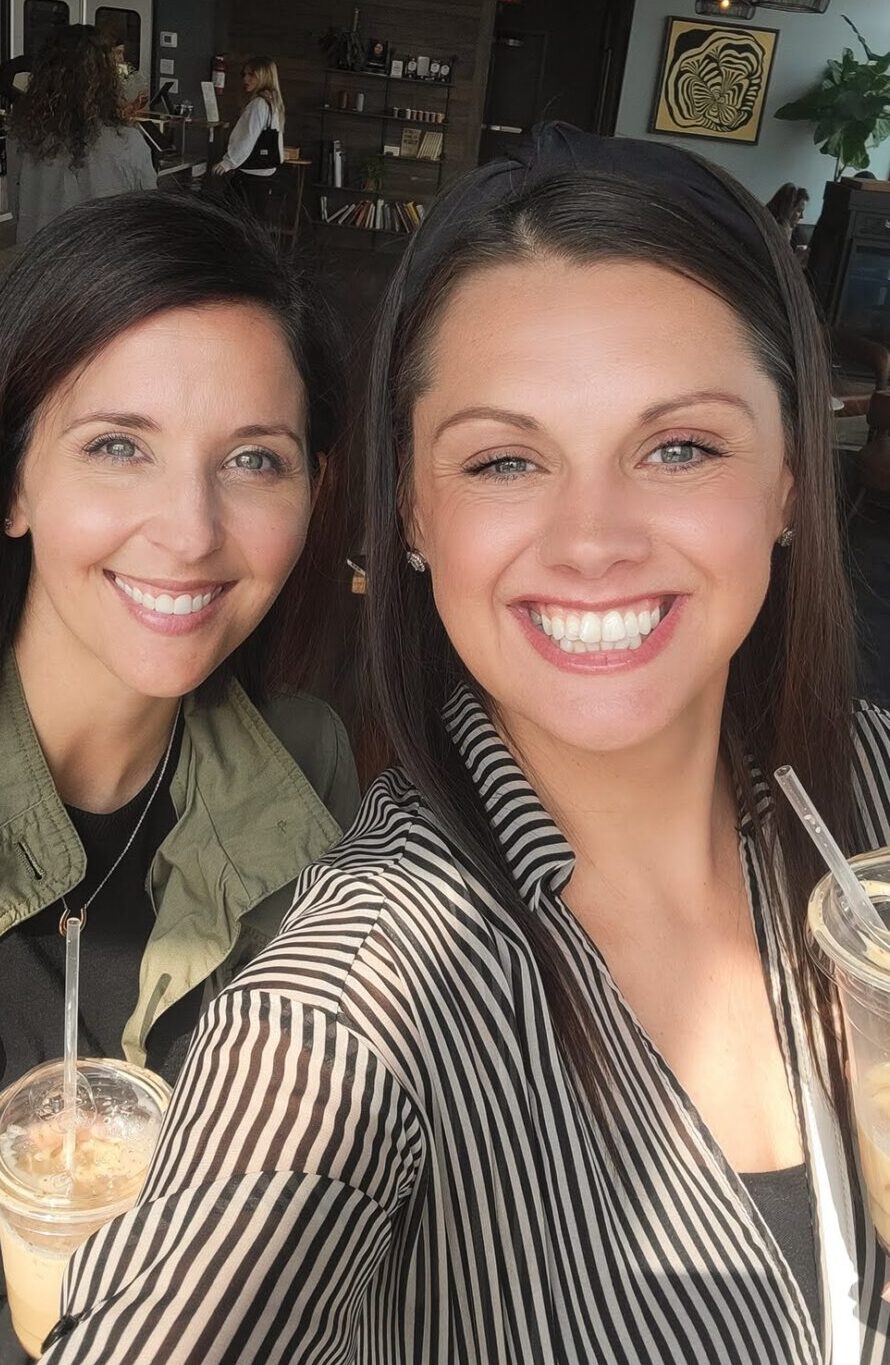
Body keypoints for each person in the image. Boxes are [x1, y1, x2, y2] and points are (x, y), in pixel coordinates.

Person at [44, 126, 890, 1364]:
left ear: (784, 483)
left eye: (678, 448)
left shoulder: (872, 782)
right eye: (504, 461)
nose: (590, 538)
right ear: (413, 517)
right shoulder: (347, 1006)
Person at [0, 191, 359, 1358]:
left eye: (253, 460)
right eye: (119, 445)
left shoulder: (308, 769)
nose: (190, 530)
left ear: (315, 491)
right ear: (14, 484)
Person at [5, 25, 155, 245]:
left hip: (37, 262)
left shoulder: (21, 136)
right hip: (102, 267)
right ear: (107, 80)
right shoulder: (128, 143)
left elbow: (17, 207)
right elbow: (146, 220)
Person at [212, 56, 285, 223]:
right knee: (253, 226)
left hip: (250, 176)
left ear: (264, 76)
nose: (245, 79)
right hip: (265, 174)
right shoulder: (273, 103)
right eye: (244, 74)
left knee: (234, 222)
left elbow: (247, 137)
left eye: (251, 75)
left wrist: (227, 163)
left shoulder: (258, 104)